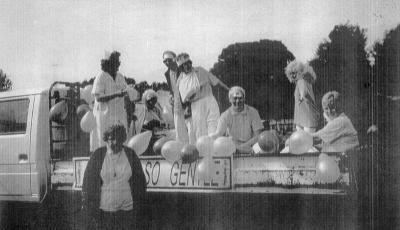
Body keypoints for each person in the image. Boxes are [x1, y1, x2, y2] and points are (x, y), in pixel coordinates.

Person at [82, 124, 146, 230]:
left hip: (127, 210)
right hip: (105, 212)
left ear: (123, 140)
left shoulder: (130, 154)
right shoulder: (98, 155)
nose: (115, 142)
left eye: (118, 139)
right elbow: (88, 183)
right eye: (111, 139)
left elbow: (140, 182)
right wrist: (90, 208)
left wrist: (139, 208)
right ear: (106, 139)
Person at [176, 52, 229, 144]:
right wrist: (196, 88)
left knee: (214, 128)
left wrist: (229, 89)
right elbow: (185, 98)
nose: (188, 65)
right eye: (185, 64)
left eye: (189, 63)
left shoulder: (200, 70)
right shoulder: (180, 80)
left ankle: (215, 151)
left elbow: (216, 80)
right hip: (197, 106)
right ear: (181, 67)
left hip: (210, 99)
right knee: (200, 133)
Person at [91, 51, 128, 149]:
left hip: (119, 116)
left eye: (118, 61)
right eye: (116, 61)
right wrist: (117, 94)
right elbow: (98, 98)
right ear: (108, 63)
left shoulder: (120, 76)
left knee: (120, 144)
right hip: (105, 118)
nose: (118, 64)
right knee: (104, 144)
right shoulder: (101, 77)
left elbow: (125, 93)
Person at [210, 86, 264, 154]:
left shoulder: (253, 112)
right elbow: (218, 134)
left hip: (250, 144)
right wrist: (210, 138)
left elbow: (258, 136)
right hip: (233, 145)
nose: (237, 101)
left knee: (260, 147)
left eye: (240, 98)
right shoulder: (225, 115)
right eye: (235, 98)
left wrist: (242, 147)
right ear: (230, 99)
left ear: (244, 98)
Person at [285, 60, 319, 133]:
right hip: (304, 116)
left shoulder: (301, 81)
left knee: (304, 139)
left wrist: (301, 98)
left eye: (294, 73)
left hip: (306, 117)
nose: (293, 75)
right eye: (291, 74)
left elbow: (303, 92)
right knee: (306, 140)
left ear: (300, 71)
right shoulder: (306, 82)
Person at [162, 51, 189, 143]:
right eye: (165, 61)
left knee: (191, 127)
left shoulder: (183, 69)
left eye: (169, 60)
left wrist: (188, 105)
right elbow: (172, 89)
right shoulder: (167, 73)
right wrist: (171, 96)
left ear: (174, 58)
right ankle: (181, 149)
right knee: (179, 128)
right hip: (176, 104)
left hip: (187, 102)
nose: (167, 62)